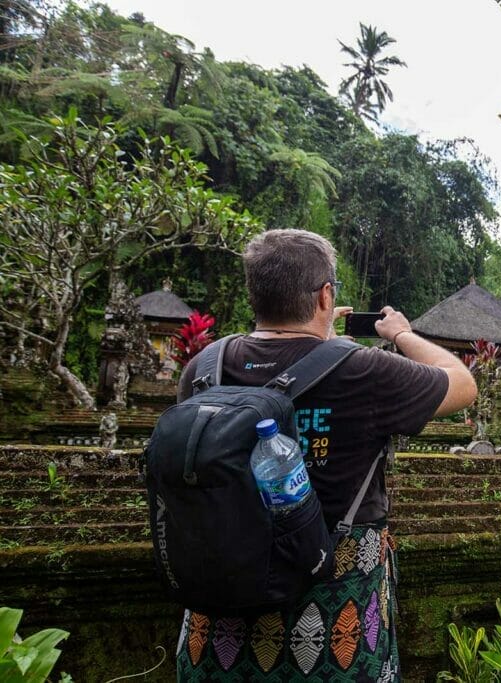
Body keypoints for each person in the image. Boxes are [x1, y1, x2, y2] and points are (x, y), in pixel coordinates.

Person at [174, 228, 476, 681]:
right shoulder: (364, 369)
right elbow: (463, 383)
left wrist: (325, 336)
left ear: (254, 292)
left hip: (217, 619)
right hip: (331, 620)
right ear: (325, 296)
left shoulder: (205, 367)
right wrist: (402, 334)